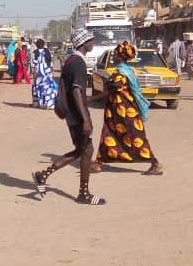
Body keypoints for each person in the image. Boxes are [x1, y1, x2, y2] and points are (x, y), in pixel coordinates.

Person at [33, 28, 106, 206]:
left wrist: (101, 96)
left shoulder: (72, 61)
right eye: (90, 40)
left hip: (73, 114)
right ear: (83, 43)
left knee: (83, 150)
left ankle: (43, 175)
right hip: (77, 115)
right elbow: (76, 91)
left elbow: (79, 93)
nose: (93, 43)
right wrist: (85, 119)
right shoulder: (78, 63)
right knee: (86, 151)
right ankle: (83, 194)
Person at [92, 41, 163, 175]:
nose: (113, 56)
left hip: (124, 111)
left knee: (134, 135)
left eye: (115, 55)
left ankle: (155, 163)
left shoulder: (121, 73)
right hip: (116, 110)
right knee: (109, 134)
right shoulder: (127, 70)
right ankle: (98, 163)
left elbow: (112, 89)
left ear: (121, 56)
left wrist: (90, 99)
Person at [31, 39, 57, 110]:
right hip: (47, 71)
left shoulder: (35, 52)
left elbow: (33, 64)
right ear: (43, 44)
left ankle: (37, 103)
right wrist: (51, 71)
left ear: (37, 45)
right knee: (48, 88)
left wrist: (34, 74)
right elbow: (51, 62)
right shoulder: (47, 51)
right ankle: (49, 104)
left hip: (38, 72)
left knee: (38, 87)